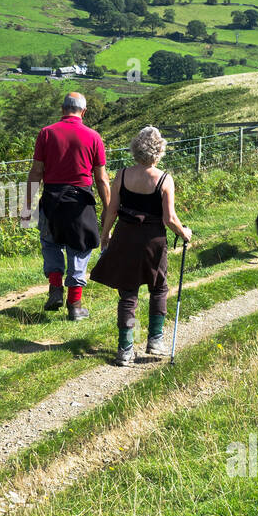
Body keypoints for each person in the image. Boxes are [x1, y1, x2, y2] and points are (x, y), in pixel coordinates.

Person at [90, 126, 192, 366]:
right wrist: (184, 233)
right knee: (158, 287)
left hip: (125, 236)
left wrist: (105, 234)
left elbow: (112, 210)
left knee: (128, 293)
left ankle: (124, 350)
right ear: (158, 153)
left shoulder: (123, 175)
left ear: (135, 149)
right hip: (152, 241)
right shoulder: (164, 180)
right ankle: (155, 341)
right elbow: (169, 219)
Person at [21, 92, 110, 321]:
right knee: (80, 248)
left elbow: (36, 172)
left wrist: (27, 205)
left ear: (62, 109)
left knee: (50, 242)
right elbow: (101, 179)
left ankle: (55, 289)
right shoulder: (94, 137)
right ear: (84, 111)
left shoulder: (47, 133)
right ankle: (75, 304)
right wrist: (108, 208)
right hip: (80, 203)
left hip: (52, 199)